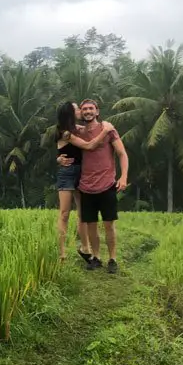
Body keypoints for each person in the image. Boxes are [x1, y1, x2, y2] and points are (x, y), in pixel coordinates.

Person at [58, 99, 128, 274]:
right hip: (86, 186)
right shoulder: (77, 132)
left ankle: (112, 258)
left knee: (108, 225)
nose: (87, 111)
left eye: (91, 108)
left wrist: (124, 176)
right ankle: (95, 257)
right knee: (90, 225)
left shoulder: (109, 129)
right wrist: (58, 159)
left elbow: (122, 153)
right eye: (84, 109)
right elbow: (66, 147)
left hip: (107, 184)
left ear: (97, 111)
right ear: (80, 113)